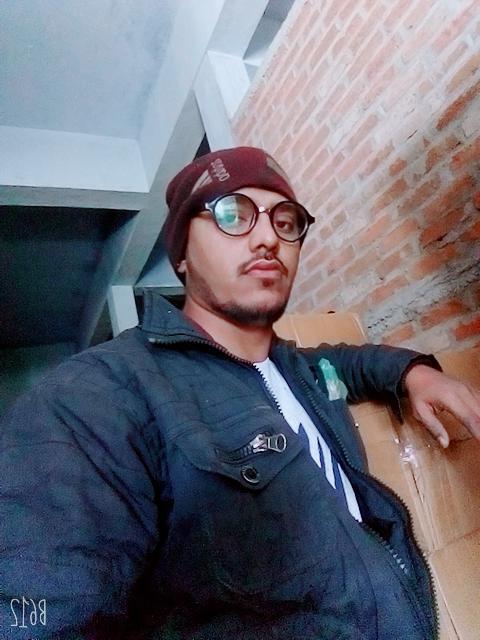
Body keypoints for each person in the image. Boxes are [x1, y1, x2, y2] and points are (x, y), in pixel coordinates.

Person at [1, 146, 480, 640]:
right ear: (181, 254)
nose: (269, 237)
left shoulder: (294, 367)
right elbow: (40, 605)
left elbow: (351, 361)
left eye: (286, 221)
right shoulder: (100, 394)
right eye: (233, 215)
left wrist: (416, 373)